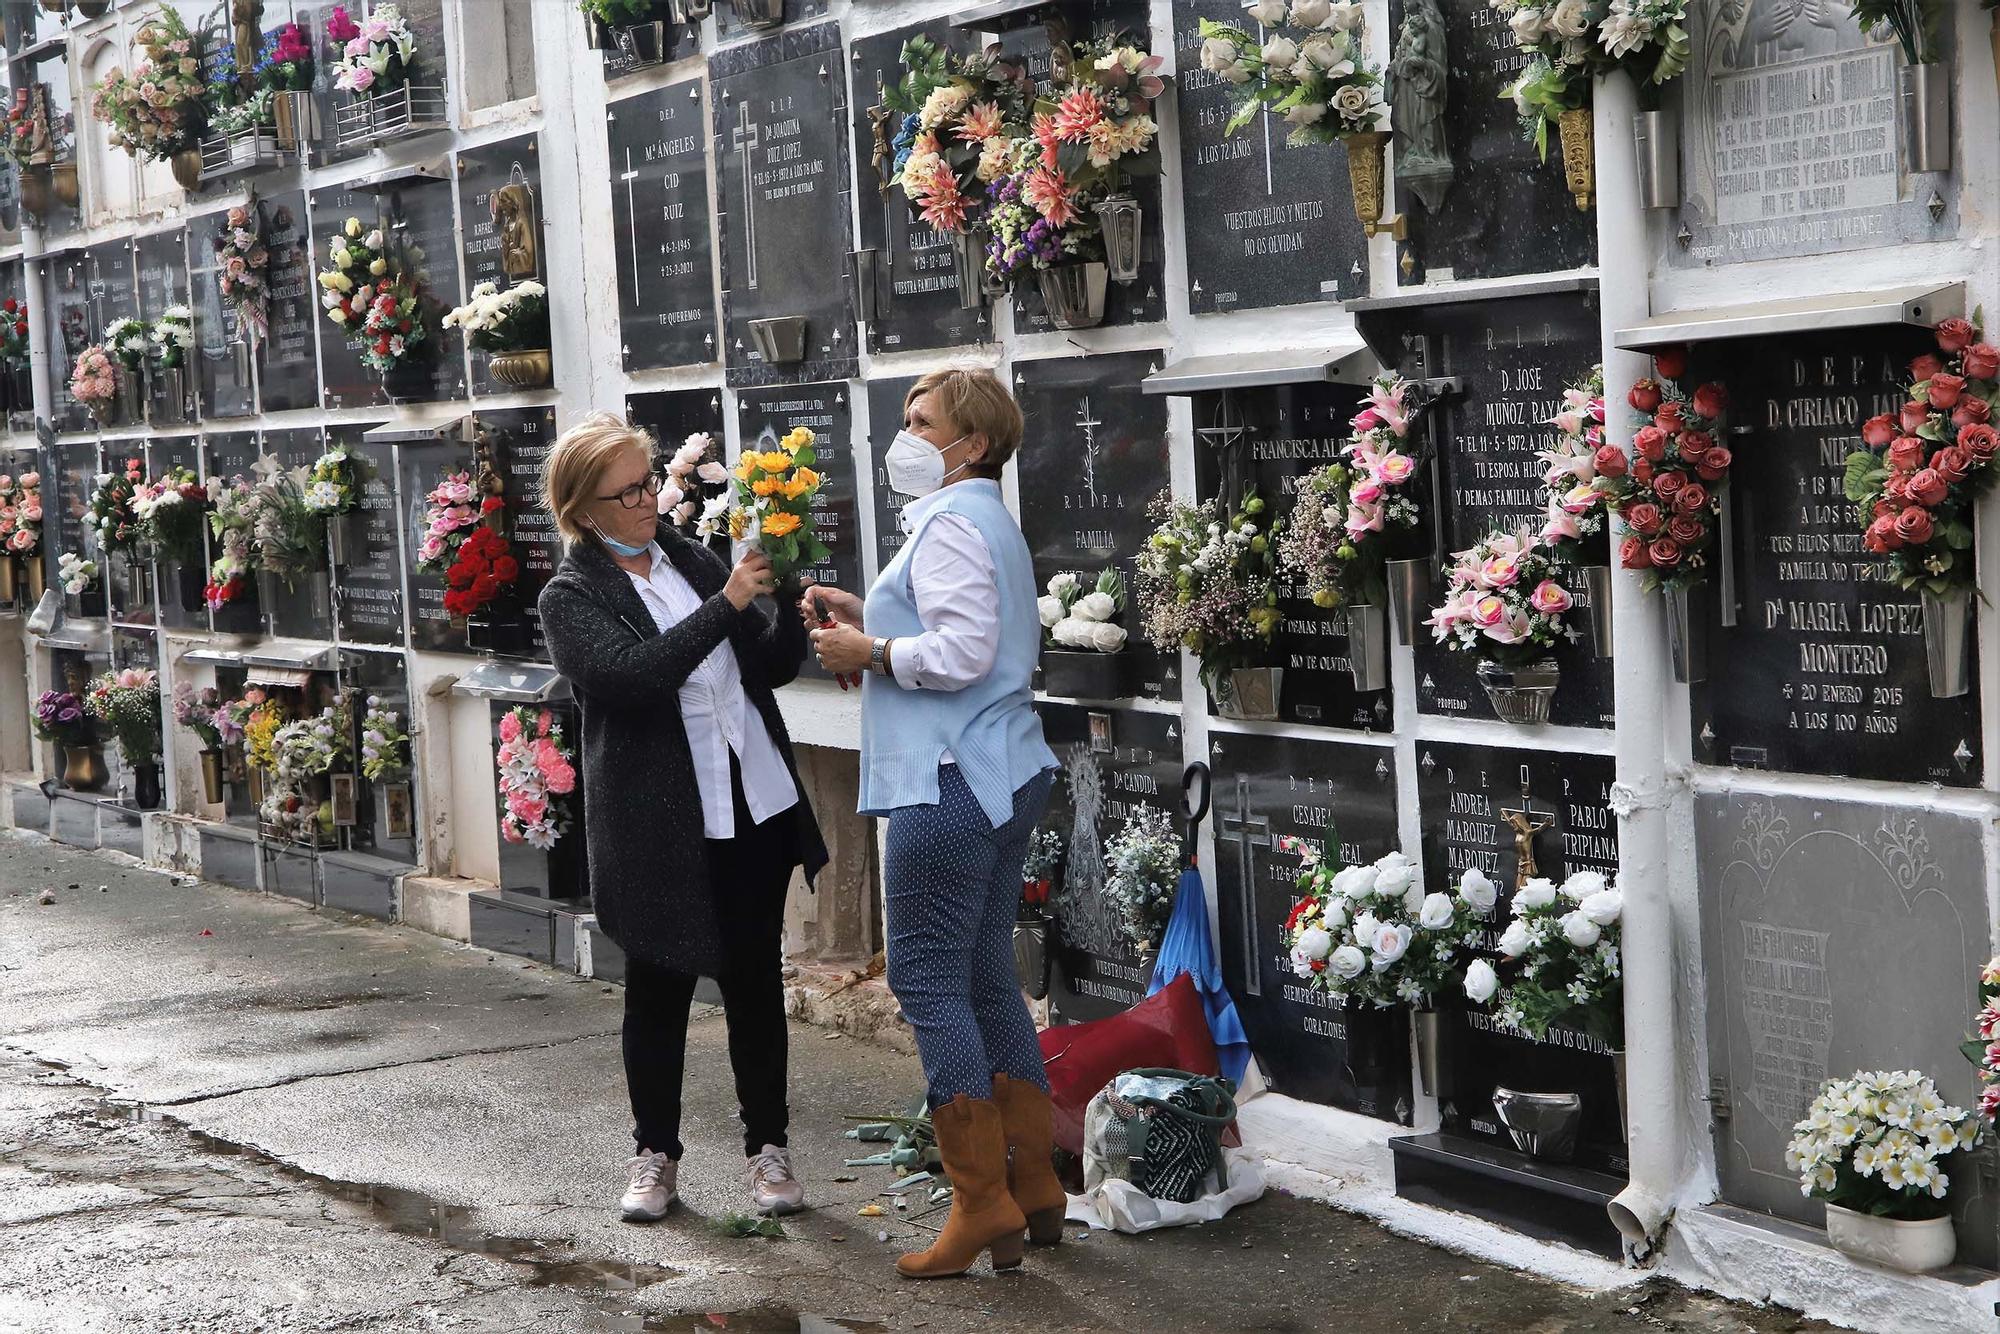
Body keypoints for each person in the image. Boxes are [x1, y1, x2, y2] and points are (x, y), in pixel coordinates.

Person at [804, 368, 1064, 1279]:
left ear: (974, 445)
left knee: (926, 982)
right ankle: (1033, 1183)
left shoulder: (951, 522)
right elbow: (956, 626)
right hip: (1002, 769)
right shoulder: (980, 517)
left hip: (947, 780)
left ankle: (980, 1200)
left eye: (924, 421)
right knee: (988, 975)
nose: (905, 435)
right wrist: (864, 617)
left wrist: (868, 650)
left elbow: (960, 651)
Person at [538, 411, 828, 1225]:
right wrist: (725, 602)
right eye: (627, 491)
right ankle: (654, 1156)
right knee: (657, 988)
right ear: (584, 510)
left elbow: (762, 669)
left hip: (752, 801)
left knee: (753, 985)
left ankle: (768, 1152)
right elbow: (634, 675)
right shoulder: (571, 595)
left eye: (647, 481)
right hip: (659, 821)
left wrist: (786, 606)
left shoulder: (693, 560)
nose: (647, 501)